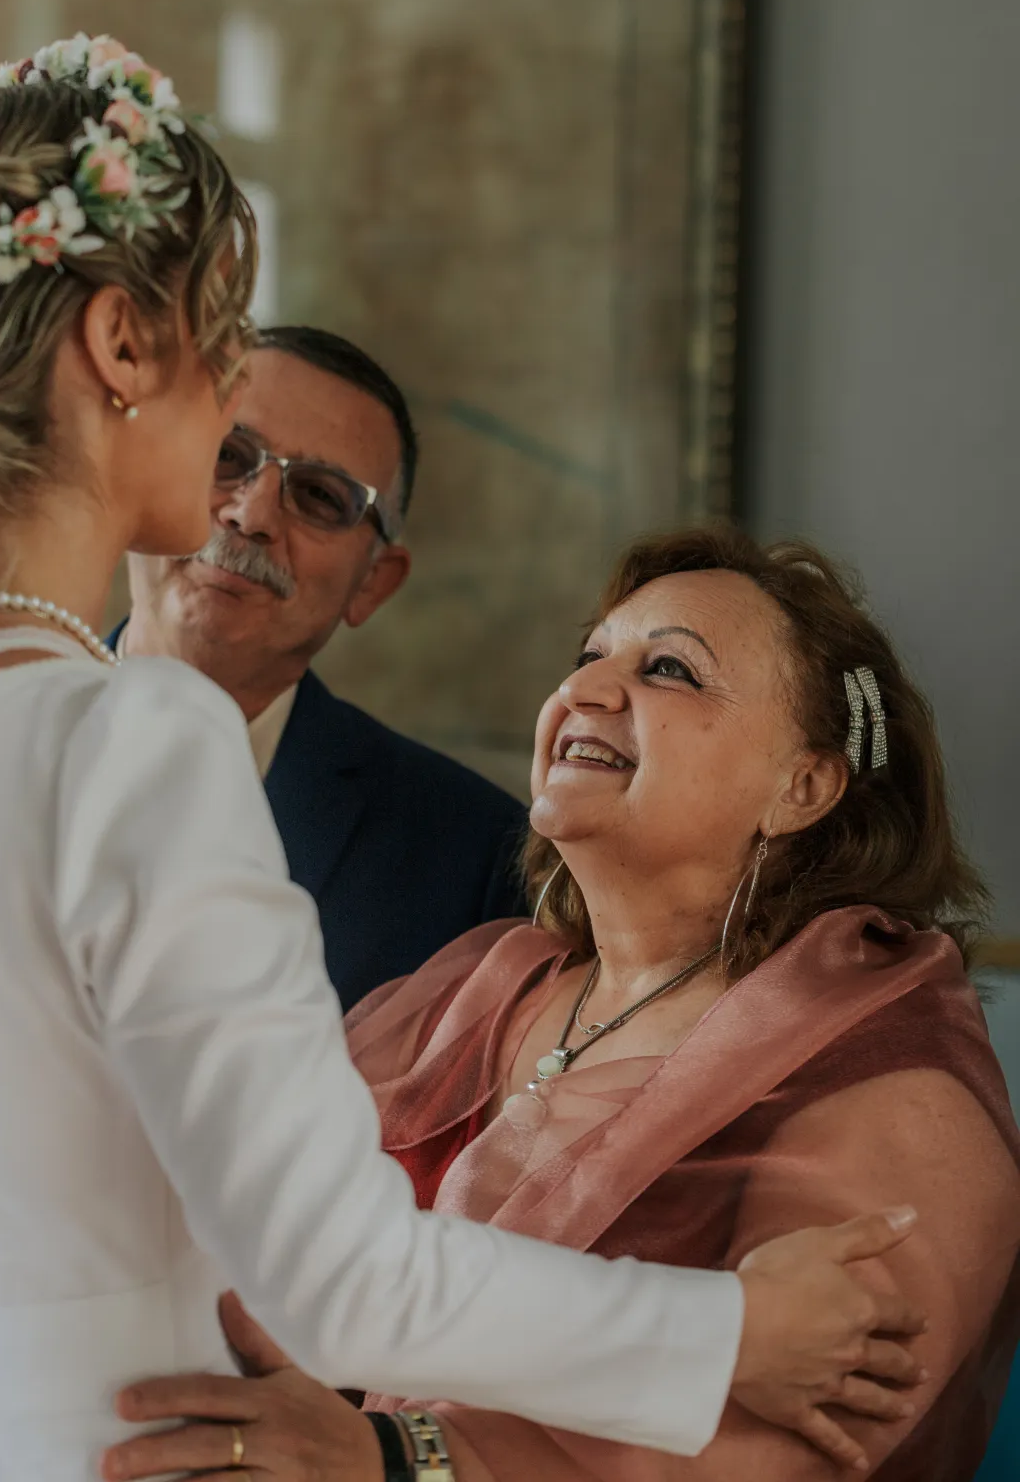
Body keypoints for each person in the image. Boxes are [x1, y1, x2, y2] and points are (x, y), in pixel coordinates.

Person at [0, 40, 930, 1482]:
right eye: (223, 332)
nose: (240, 389)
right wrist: (736, 1331)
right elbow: (339, 1277)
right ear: (122, 345)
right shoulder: (128, 738)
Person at [104, 527, 1020, 1482]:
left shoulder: (893, 1087)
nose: (583, 690)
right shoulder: (475, 986)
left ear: (803, 786)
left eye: (669, 669)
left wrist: (394, 1459)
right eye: (589, 657)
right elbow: (257, 1236)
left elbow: (782, 1454)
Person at [119, 324, 528, 1010]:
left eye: (318, 497)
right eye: (227, 455)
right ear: (143, 468)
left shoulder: (475, 860)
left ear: (373, 583)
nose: (251, 516)